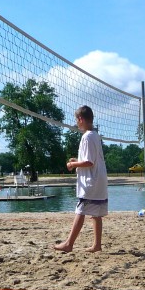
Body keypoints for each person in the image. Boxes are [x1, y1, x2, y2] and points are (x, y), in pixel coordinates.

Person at [54, 106, 108, 252]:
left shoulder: (87, 136)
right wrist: (78, 160)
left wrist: (72, 164)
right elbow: (90, 159)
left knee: (80, 210)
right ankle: (97, 245)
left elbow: (89, 162)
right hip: (99, 179)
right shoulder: (95, 135)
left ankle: (69, 244)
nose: (76, 123)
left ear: (81, 119)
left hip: (91, 181)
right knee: (96, 214)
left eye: (76, 120)